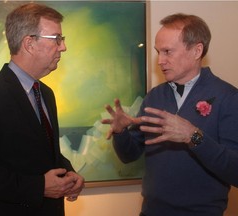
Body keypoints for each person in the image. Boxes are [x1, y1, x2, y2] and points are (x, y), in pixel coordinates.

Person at [101, 13, 238, 216]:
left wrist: (193, 136)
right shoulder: (155, 96)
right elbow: (129, 156)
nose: (160, 61)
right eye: (158, 52)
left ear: (196, 50)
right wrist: (121, 133)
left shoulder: (228, 97)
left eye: (167, 52)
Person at [0, 3, 84, 216]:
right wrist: (38, 186)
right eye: (57, 39)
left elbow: (42, 153)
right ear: (29, 44)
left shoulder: (46, 93)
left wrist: (69, 173)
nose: (63, 47)